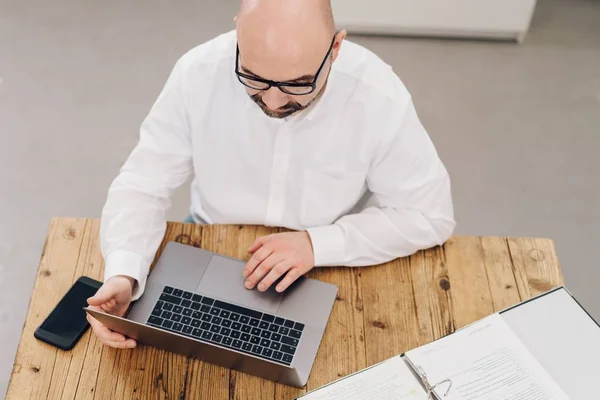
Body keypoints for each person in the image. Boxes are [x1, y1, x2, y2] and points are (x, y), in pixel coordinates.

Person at [87, 0, 455, 349]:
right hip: (210, 236)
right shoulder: (196, 73)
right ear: (238, 32)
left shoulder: (377, 96)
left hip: (327, 259)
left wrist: (317, 244)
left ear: (336, 47)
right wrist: (124, 272)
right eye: (253, 78)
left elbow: (429, 215)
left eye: (298, 84)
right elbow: (142, 183)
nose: (273, 103)